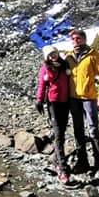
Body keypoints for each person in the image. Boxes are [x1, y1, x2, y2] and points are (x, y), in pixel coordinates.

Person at [65, 29, 99, 180]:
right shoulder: (69, 56)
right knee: (78, 130)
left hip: (89, 97)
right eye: (73, 39)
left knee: (94, 130)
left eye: (78, 38)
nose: (76, 41)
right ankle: (82, 162)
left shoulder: (92, 54)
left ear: (84, 39)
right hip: (73, 98)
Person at [36, 44, 72, 183]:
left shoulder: (65, 65)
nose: (53, 56)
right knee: (58, 134)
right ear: (47, 57)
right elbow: (42, 85)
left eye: (54, 53)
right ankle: (62, 168)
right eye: (50, 55)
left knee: (62, 133)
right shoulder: (45, 68)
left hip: (66, 102)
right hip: (54, 103)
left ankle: (57, 159)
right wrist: (39, 101)